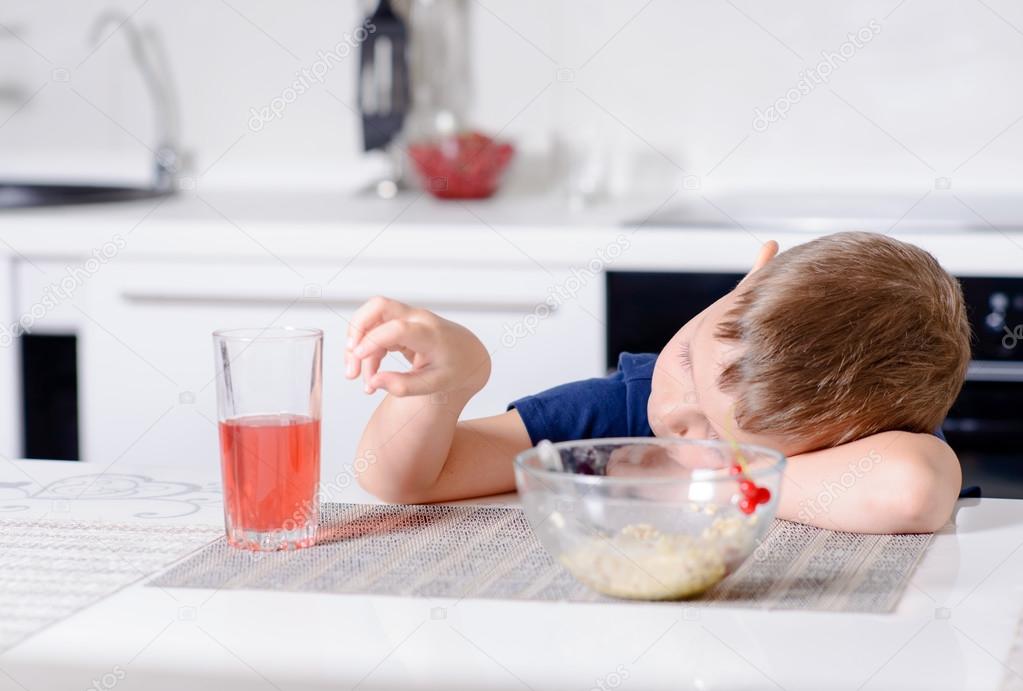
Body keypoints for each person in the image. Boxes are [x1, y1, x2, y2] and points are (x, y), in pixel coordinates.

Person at [344, 232, 971, 534]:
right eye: (686, 363)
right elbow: (397, 478)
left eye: (716, 434)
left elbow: (912, 488)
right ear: (743, 284)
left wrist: (688, 484)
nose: (672, 415)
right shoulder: (621, 405)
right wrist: (442, 390)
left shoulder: (857, 438)